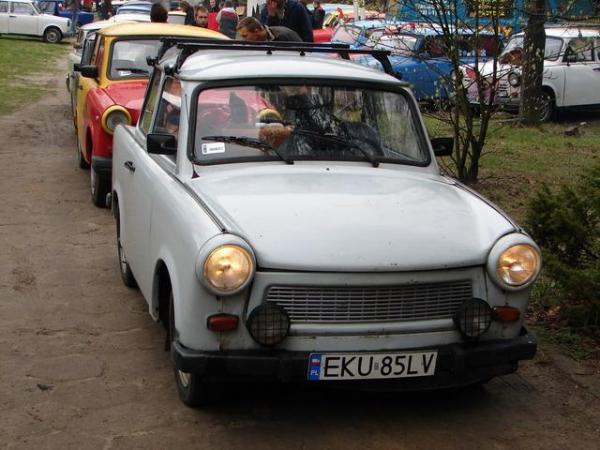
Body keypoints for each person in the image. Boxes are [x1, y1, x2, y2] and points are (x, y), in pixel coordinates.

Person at [237, 16, 302, 42]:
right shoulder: (268, 36)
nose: (243, 40)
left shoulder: (281, 37)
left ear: (256, 31)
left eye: (245, 36)